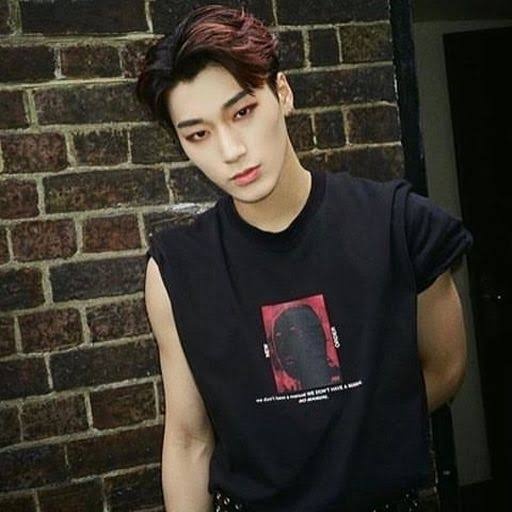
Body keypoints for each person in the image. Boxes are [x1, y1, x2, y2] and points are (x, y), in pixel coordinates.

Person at [135, 4, 474, 512]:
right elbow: (188, 441)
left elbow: (445, 369)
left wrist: (346, 439)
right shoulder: (177, 270)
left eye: (242, 112)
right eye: (198, 133)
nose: (230, 150)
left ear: (282, 93)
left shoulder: (399, 225)